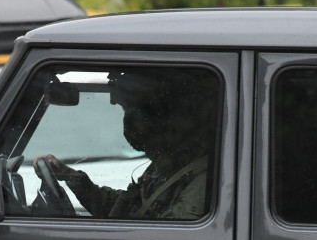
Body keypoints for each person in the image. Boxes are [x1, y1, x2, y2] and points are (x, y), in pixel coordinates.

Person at [35, 70, 215, 221]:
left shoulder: (202, 179)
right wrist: (71, 176)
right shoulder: (166, 166)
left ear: (158, 116)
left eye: (131, 109)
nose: (129, 121)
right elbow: (122, 211)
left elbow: (163, 238)